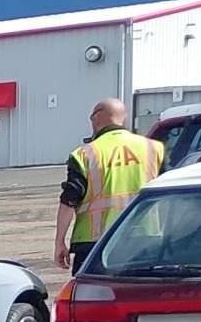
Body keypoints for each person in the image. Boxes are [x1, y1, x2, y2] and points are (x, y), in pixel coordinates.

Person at [54, 98, 163, 272]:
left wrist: (59, 242)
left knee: (92, 297)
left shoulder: (84, 154)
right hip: (145, 237)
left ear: (97, 118)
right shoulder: (154, 148)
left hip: (95, 243)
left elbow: (69, 200)